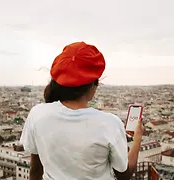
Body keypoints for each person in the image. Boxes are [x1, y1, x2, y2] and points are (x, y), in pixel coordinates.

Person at [20, 42, 144, 180]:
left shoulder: (37, 114)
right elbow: (124, 174)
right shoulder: (109, 123)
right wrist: (137, 139)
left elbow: (35, 170)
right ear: (93, 84)